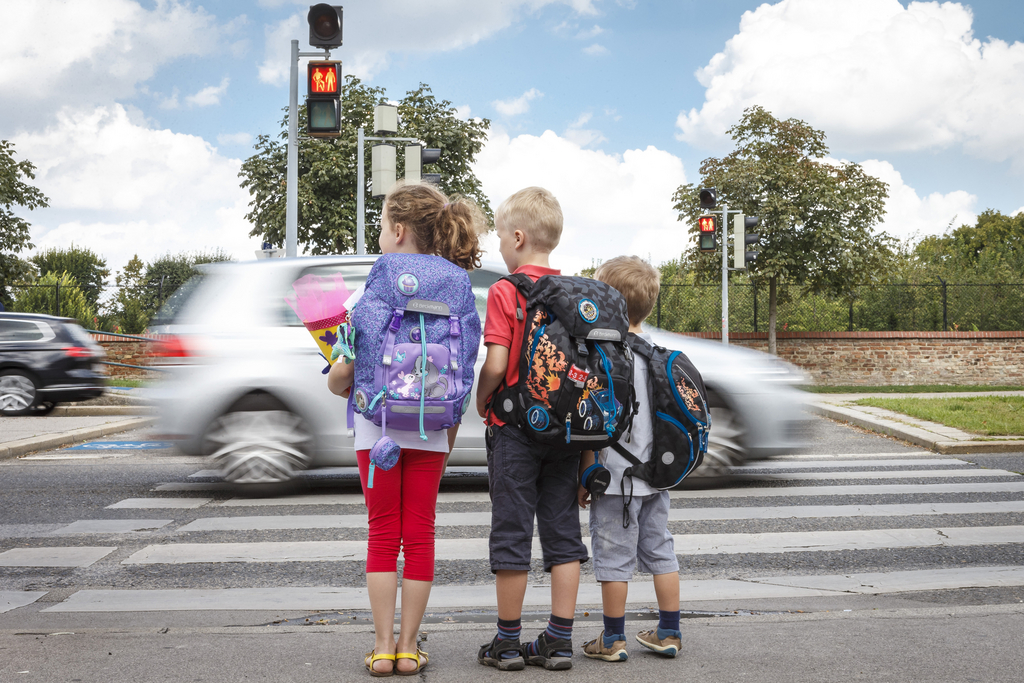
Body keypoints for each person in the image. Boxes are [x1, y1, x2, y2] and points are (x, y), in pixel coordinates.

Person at [327, 183, 485, 677]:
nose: (379, 235)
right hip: (433, 428)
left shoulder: (372, 283)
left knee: (381, 534)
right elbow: (467, 364)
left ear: (398, 230)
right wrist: (448, 431)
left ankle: (380, 647)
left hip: (377, 431)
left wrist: (338, 368)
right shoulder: (459, 283)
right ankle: (410, 647)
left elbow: (339, 381)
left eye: (380, 225)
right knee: (419, 534)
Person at [475, 186, 587, 672]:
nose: (500, 245)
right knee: (563, 533)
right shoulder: (579, 295)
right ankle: (559, 641)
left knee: (513, 532)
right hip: (566, 434)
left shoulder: (506, 290)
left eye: (501, 236)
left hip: (516, 430)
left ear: (518, 237)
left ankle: (506, 642)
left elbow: (497, 364)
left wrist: (483, 398)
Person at [576, 255, 682, 662]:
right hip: (657, 476)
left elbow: (594, 423)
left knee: (615, 559)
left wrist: (586, 472)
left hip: (616, 480)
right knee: (661, 551)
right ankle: (669, 631)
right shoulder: (660, 356)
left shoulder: (604, 357)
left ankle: (612, 639)